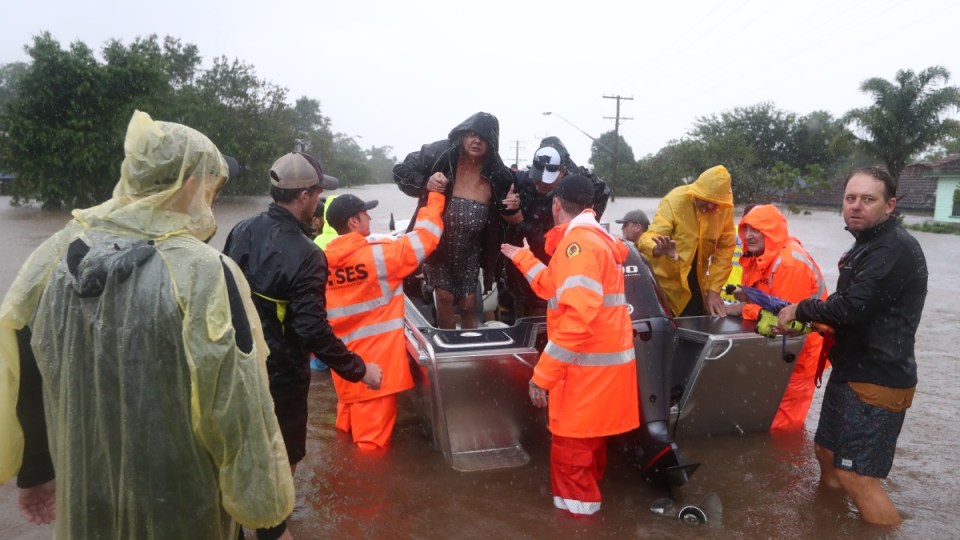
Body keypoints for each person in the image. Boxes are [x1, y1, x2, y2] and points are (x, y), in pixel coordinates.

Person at [0, 111, 294, 539]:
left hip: (87, 488)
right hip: (182, 497)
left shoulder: (55, 255)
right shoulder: (205, 272)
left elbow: (21, 359)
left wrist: (36, 470)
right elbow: (237, 404)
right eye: (211, 183)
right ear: (191, 184)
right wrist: (270, 523)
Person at [223, 152, 382, 537]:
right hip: (281, 374)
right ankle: (273, 528)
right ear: (305, 196)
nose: (317, 200)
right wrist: (360, 370)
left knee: (240, 450)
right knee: (283, 458)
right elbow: (311, 329)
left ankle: (238, 523)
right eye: (316, 193)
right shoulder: (308, 254)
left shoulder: (241, 229)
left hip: (235, 366)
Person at [777, 167, 927, 526]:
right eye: (850, 198)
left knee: (858, 477)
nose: (856, 206)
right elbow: (860, 308)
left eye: (868, 199)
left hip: (878, 379)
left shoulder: (892, 247)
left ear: (890, 205)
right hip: (852, 371)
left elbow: (852, 306)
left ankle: (884, 531)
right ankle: (827, 525)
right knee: (827, 454)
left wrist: (802, 307)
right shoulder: (869, 244)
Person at [500, 174, 639, 515]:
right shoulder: (593, 241)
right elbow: (553, 286)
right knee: (588, 458)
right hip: (602, 377)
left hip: (584, 378)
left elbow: (578, 318)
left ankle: (576, 526)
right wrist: (524, 258)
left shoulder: (578, 245)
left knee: (572, 469)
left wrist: (542, 376)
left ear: (556, 204)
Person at [323, 188, 444, 449]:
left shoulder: (321, 263)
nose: (369, 218)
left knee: (345, 439)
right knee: (371, 453)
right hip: (375, 374)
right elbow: (427, 237)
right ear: (353, 221)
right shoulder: (381, 256)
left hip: (345, 369)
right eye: (365, 213)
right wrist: (435, 196)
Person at [393, 112, 521, 329]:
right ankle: (447, 346)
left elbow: (513, 220)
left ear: (491, 143)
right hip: (438, 244)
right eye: (471, 134)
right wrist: (426, 182)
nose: (476, 141)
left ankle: (472, 348)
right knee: (444, 298)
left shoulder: (500, 174)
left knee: (469, 303)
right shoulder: (440, 153)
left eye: (483, 137)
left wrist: (513, 206)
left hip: (472, 248)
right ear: (462, 135)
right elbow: (400, 171)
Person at [722, 204, 828, 431]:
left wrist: (741, 308)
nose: (748, 235)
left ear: (771, 232)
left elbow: (785, 319)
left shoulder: (790, 264)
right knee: (763, 415)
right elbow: (765, 300)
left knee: (783, 428)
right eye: (746, 229)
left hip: (800, 353)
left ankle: (784, 463)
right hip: (777, 351)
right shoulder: (758, 256)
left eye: (756, 230)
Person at [505, 137, 610, 318]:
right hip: (526, 246)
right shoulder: (521, 180)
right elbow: (497, 183)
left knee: (561, 300)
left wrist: (583, 222)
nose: (540, 185)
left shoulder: (577, 182)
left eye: (547, 182)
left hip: (562, 249)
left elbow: (603, 190)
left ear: (563, 171)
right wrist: (508, 205)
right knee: (524, 302)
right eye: (537, 179)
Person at [637, 165, 736, 317]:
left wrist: (714, 290)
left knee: (696, 329)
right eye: (706, 200)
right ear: (697, 190)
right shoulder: (675, 199)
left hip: (697, 287)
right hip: (665, 288)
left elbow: (726, 249)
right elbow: (648, 237)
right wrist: (657, 248)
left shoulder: (724, 208)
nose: (710, 206)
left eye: (715, 203)